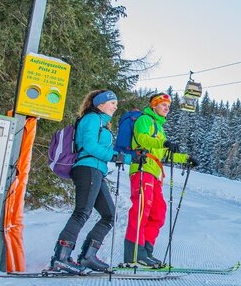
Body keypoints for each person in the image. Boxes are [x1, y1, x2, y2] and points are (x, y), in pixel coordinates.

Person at [50, 89, 131, 274]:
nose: (115, 106)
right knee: (82, 212)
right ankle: (61, 257)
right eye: (112, 102)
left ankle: (88, 256)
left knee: (109, 215)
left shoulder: (101, 122)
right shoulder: (92, 118)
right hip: (87, 168)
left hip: (96, 171)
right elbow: (90, 145)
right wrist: (116, 157)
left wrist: (126, 158)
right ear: (100, 104)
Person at [124, 92, 198, 268]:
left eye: (168, 106)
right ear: (154, 105)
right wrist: (162, 144)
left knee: (158, 211)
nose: (167, 108)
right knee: (142, 209)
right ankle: (135, 252)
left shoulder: (159, 127)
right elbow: (142, 138)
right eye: (163, 104)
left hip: (155, 172)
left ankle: (146, 251)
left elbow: (163, 153)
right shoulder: (144, 120)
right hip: (142, 168)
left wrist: (186, 158)